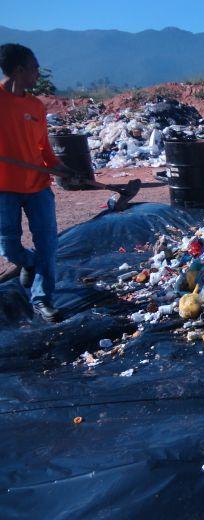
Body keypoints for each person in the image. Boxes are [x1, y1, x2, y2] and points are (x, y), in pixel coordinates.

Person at [0, 43, 77, 323]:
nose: (37, 73)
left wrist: (62, 169)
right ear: (18, 70)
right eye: (33, 68)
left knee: (48, 244)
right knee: (8, 247)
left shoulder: (35, 106)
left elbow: (44, 150)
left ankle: (42, 300)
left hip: (38, 186)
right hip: (4, 188)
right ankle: (29, 263)